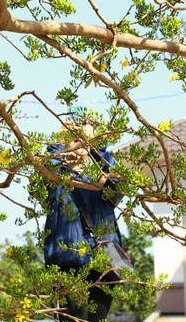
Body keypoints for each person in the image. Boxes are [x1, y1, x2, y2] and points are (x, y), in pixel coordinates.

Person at [42, 111, 126, 322]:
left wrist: (96, 148)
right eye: (74, 137)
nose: (80, 143)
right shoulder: (55, 177)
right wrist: (60, 148)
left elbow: (118, 187)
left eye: (84, 138)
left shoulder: (101, 176)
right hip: (67, 264)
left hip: (104, 263)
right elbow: (42, 178)